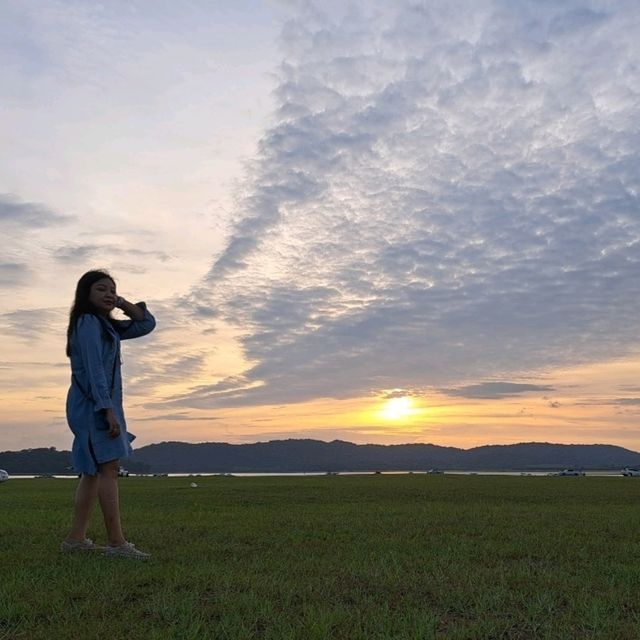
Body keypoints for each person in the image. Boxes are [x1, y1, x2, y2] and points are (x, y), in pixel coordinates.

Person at [61, 270, 156, 559]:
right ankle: (117, 543)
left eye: (112, 290)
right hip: (94, 405)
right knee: (108, 469)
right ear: (85, 294)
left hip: (100, 404)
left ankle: (75, 540)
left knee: (92, 472)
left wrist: (122, 303)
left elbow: (147, 324)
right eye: (101, 289)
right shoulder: (88, 322)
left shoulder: (107, 327)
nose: (108, 294)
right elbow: (94, 370)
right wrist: (106, 409)